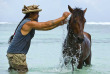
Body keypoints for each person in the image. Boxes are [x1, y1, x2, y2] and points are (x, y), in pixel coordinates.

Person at [7, 5, 70, 72]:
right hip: (17, 55)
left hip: (14, 54)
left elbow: (45, 28)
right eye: (37, 13)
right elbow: (46, 24)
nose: (38, 15)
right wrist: (62, 17)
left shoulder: (29, 23)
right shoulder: (28, 23)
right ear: (31, 14)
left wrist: (59, 24)